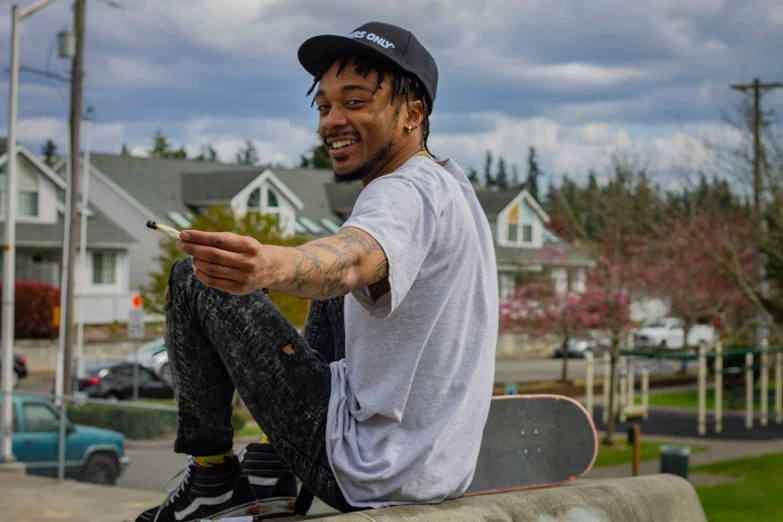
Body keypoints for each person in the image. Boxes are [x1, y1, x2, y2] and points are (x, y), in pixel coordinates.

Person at [136, 21, 498, 522]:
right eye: (324, 106)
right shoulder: (451, 185)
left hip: (368, 469)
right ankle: (270, 462)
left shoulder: (401, 192)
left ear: (413, 113)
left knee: (196, 275)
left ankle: (213, 479)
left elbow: (349, 259)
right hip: (434, 466)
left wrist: (267, 266)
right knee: (334, 283)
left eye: (355, 102)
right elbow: (349, 254)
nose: (332, 121)